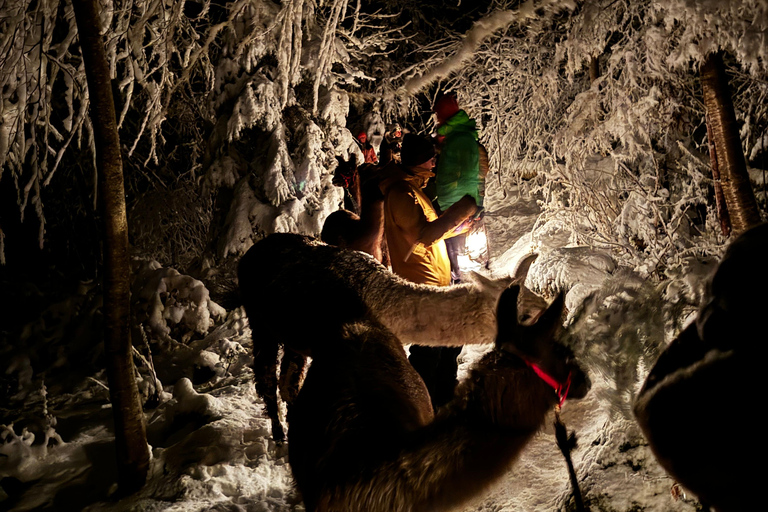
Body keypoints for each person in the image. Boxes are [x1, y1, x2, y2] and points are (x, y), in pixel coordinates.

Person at [379, 133, 476, 408]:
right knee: (429, 352)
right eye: (430, 156)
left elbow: (428, 232)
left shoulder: (413, 188)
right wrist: (462, 210)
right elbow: (421, 235)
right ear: (419, 160)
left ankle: (444, 399)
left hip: (434, 282)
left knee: (449, 343)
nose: (435, 160)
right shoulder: (401, 193)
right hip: (421, 286)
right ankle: (423, 407)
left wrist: (457, 228)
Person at [432, 93, 487, 282]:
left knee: (455, 250)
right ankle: (455, 278)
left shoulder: (459, 140)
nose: (437, 119)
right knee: (452, 249)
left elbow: (463, 176)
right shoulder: (457, 137)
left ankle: (457, 282)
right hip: (458, 202)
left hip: (457, 204)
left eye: (438, 115)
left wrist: (452, 206)